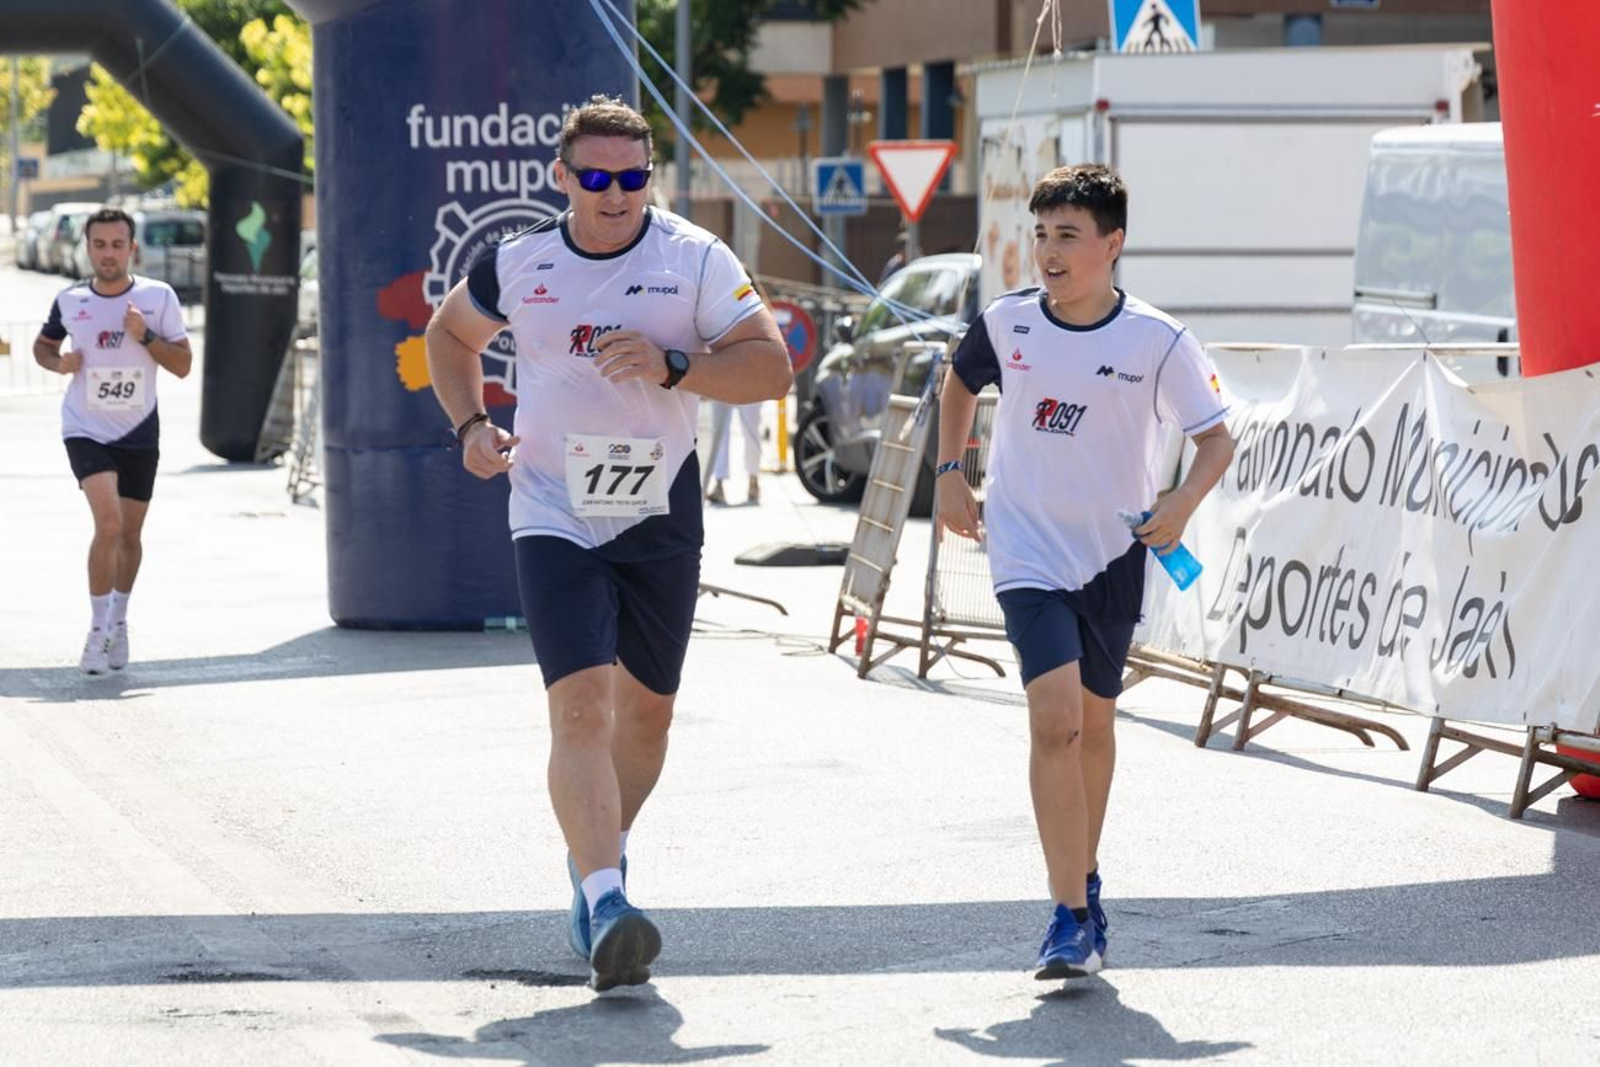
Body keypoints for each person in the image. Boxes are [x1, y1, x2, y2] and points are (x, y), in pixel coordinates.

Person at [424, 95, 792, 992]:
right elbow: (447, 334)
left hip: (659, 507)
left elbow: (772, 367)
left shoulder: (694, 259)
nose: (616, 193)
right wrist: (472, 424)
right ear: (563, 178)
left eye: (632, 177)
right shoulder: (518, 261)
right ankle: (606, 897)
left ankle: (604, 854)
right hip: (552, 506)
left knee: (649, 712)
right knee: (582, 706)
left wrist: (677, 366)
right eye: (597, 177)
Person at [934, 164, 1233, 980]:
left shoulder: (1158, 340)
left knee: (1095, 728)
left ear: (1112, 244)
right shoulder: (1007, 323)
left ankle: (1084, 878)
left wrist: (1181, 500)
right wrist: (951, 470)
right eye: (1040, 236)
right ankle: (1068, 915)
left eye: (1067, 235)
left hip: (1112, 555)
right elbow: (957, 382)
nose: (1049, 252)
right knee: (1054, 719)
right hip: (1026, 550)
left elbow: (1217, 438)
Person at [33, 206, 193, 676]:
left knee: (129, 534)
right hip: (85, 427)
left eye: (116, 245)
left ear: (131, 248)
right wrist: (57, 362)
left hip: (139, 430)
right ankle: (98, 627)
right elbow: (43, 346)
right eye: (99, 245)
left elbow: (183, 365)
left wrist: (144, 337)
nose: (108, 254)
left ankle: (119, 620)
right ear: (87, 248)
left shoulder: (157, 297)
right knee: (108, 524)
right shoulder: (69, 300)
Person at [705, 400, 764, 505]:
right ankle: (719, 482)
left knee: (751, 426)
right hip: (718, 385)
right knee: (719, 429)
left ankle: (753, 479)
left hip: (750, 385)